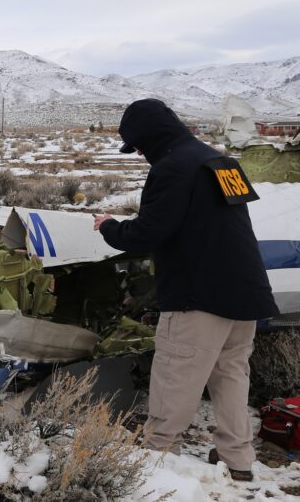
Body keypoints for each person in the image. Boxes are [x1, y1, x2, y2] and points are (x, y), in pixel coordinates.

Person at [93, 98, 277, 482]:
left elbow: (149, 232)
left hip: (199, 295)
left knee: (174, 377)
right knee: (230, 374)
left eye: (138, 145)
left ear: (149, 137)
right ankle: (238, 459)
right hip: (244, 292)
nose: (139, 153)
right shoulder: (220, 160)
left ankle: (157, 465)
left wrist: (109, 226)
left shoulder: (172, 167)